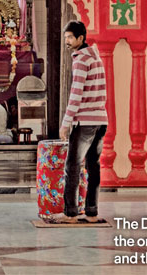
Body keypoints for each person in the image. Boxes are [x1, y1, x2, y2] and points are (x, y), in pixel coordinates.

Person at [55, 20, 107, 223]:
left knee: (73, 167)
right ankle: (92, 212)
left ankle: (70, 213)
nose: (67, 41)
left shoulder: (81, 59)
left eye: (70, 37)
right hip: (101, 120)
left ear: (80, 39)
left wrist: (65, 123)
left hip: (84, 122)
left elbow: (76, 95)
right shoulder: (96, 57)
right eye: (65, 37)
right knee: (93, 166)